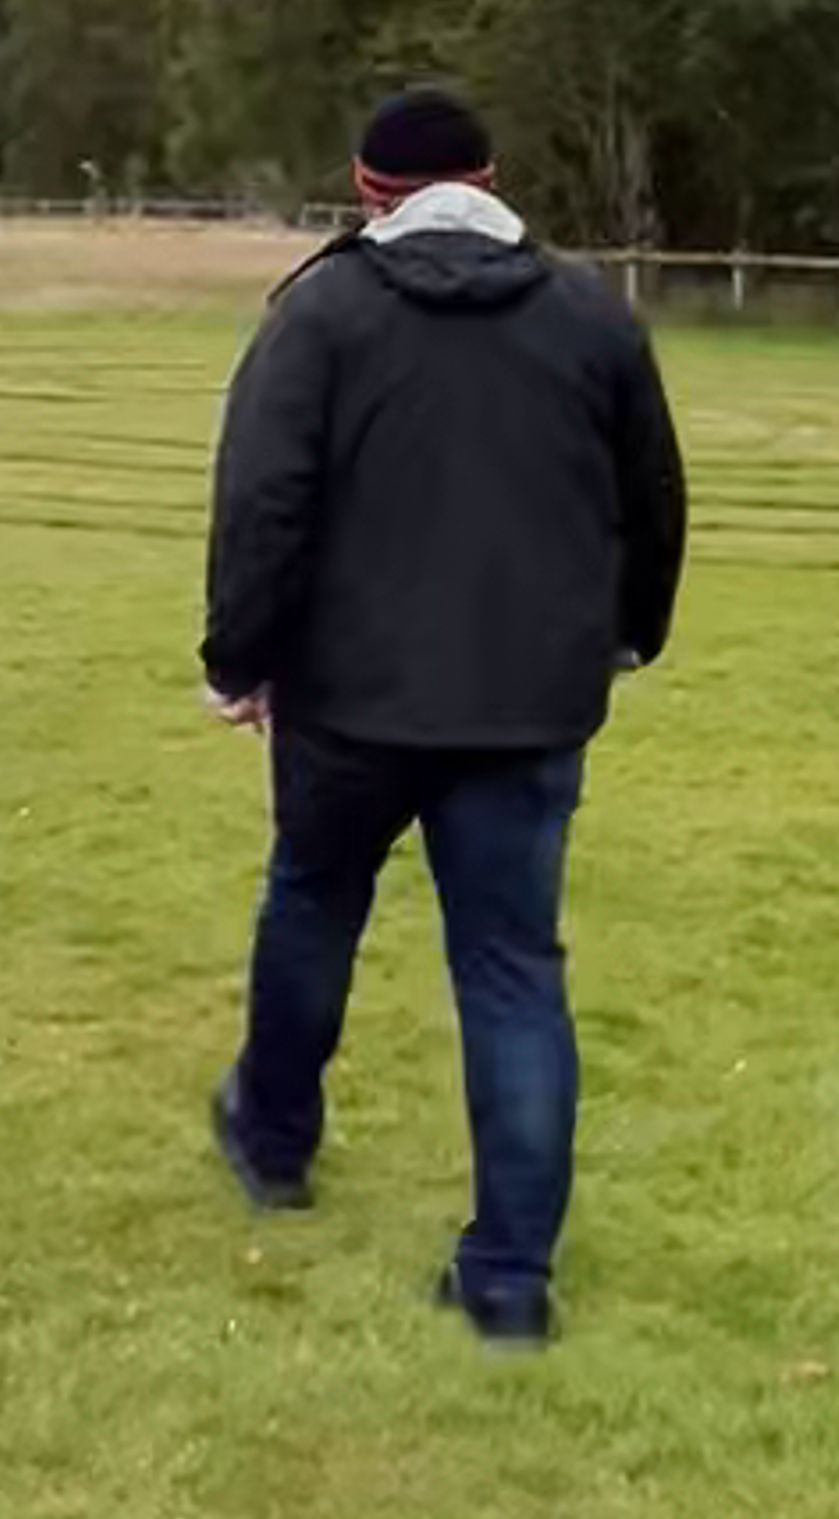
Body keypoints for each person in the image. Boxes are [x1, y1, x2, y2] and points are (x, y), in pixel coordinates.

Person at [199, 87, 686, 1346]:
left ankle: (273, 1138)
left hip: (347, 701)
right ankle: (511, 1272)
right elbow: (653, 497)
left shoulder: (319, 314)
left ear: (365, 190)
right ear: (492, 173)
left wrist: (239, 655)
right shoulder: (590, 312)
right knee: (514, 970)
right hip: (529, 702)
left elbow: (264, 502)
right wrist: (628, 630)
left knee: (312, 899)